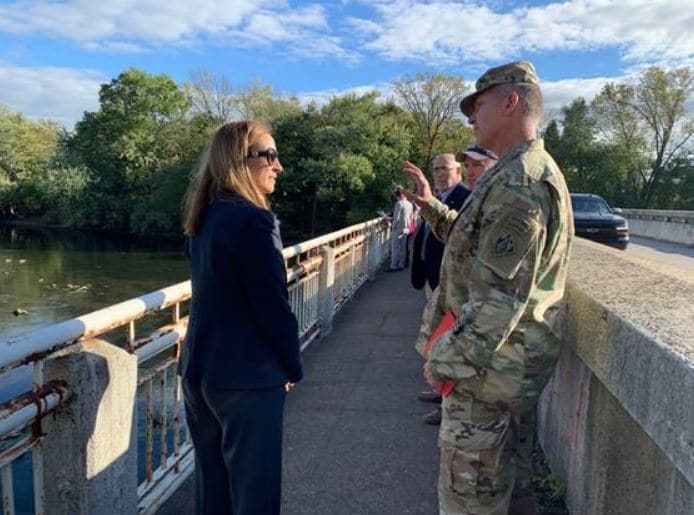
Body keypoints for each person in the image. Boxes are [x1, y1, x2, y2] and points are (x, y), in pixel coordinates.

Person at [401, 61, 574, 514]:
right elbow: (475, 241)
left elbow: (501, 299)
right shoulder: (516, 171)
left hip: (487, 377)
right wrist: (430, 206)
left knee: (469, 501)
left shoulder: (521, 182)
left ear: (510, 101)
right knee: (500, 492)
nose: (471, 117)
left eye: (477, 106)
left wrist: (444, 362)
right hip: (502, 371)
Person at [179, 120, 303, 515]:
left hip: (199, 374)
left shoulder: (202, 219)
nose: (278, 165)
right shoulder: (254, 220)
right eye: (269, 155)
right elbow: (272, 307)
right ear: (239, 161)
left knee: (213, 492)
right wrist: (290, 366)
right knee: (255, 494)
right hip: (247, 378)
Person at [411, 153, 471, 426]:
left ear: (458, 171)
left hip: (450, 286)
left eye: (444, 168)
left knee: (446, 343)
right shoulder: (441, 196)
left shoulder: (464, 197)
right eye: (435, 168)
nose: (438, 173)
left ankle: (446, 405)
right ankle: (439, 393)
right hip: (433, 280)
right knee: (436, 343)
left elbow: (457, 236)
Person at [388, 188, 414, 271]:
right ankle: (401, 265)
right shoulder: (409, 204)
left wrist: (393, 227)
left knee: (395, 247)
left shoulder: (399, 204)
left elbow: (397, 218)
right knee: (403, 247)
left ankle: (393, 266)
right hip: (406, 227)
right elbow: (410, 217)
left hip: (398, 228)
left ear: (397, 195)